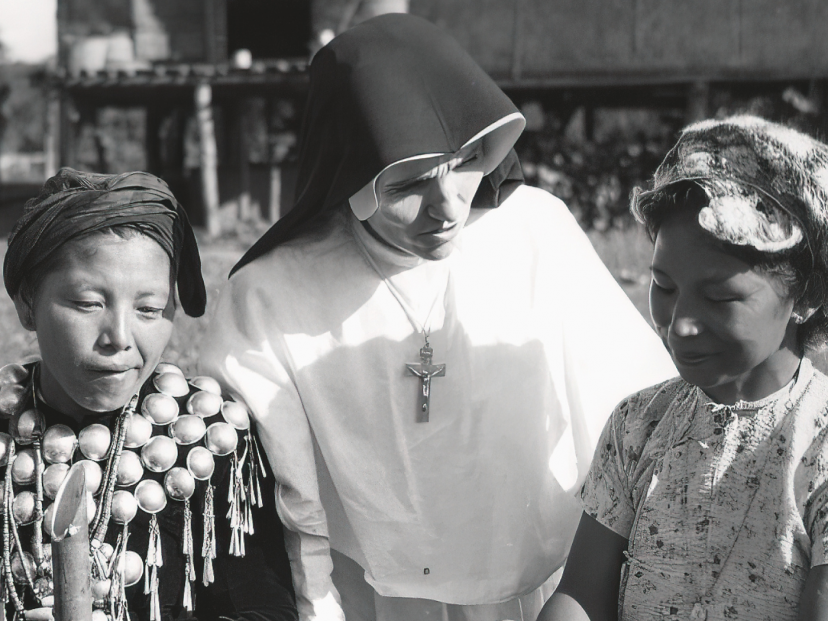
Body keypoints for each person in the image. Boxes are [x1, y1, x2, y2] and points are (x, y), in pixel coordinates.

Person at [199, 14, 674, 621]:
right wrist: (316, 598)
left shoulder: (534, 231)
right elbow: (271, 483)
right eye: (411, 184)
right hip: (368, 587)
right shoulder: (272, 292)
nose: (447, 207)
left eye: (466, 162)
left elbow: (632, 411)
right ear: (352, 177)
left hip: (546, 583)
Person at [538, 115, 828, 621]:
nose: (681, 326)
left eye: (719, 297)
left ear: (807, 294)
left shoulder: (819, 446)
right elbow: (582, 595)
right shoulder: (638, 426)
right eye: (665, 288)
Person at [0, 169, 297, 621]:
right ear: (26, 303)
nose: (119, 337)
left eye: (149, 309)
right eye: (87, 304)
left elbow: (267, 608)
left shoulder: (209, 441)